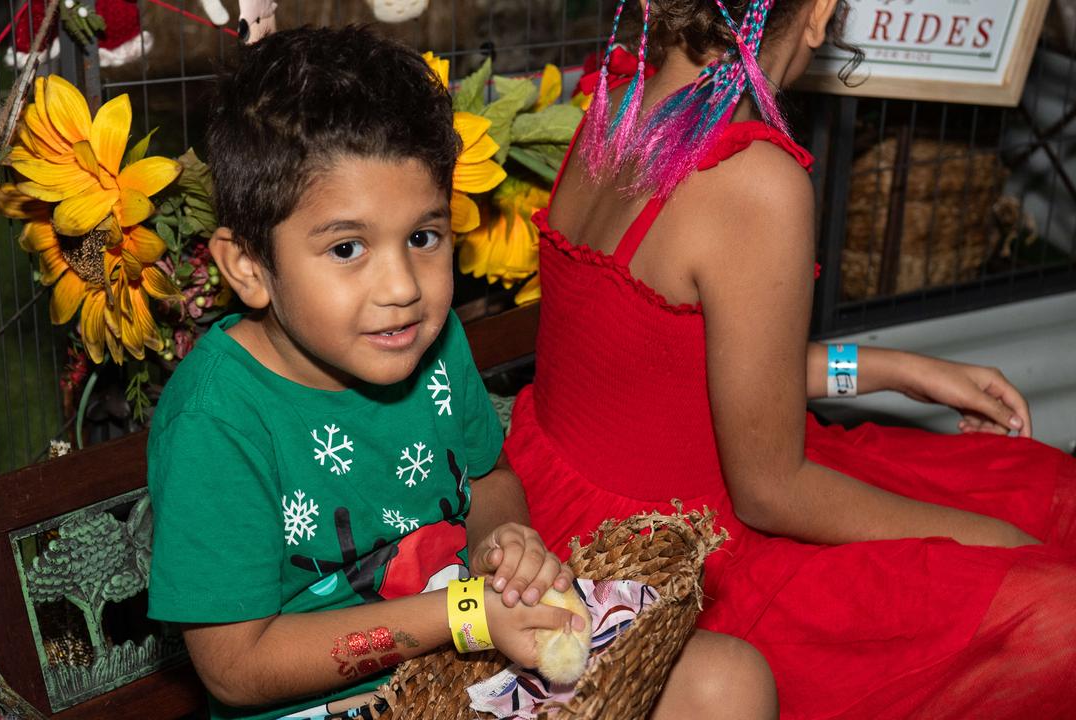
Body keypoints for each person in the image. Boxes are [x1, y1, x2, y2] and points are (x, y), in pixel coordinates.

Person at [146, 26, 776, 720]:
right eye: (348, 247)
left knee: (725, 678)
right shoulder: (218, 420)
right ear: (247, 266)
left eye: (423, 237)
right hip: (334, 706)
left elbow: (488, 480)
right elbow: (235, 668)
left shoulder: (425, 340)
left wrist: (502, 542)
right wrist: (462, 615)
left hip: (467, 656)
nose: (402, 287)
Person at [506, 0, 1076, 716]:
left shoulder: (615, 108)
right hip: (681, 561)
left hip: (574, 506)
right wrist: (999, 548)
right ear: (822, 14)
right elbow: (770, 491)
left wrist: (896, 369)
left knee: (1036, 486)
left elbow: (673, 370)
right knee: (1051, 604)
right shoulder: (753, 180)